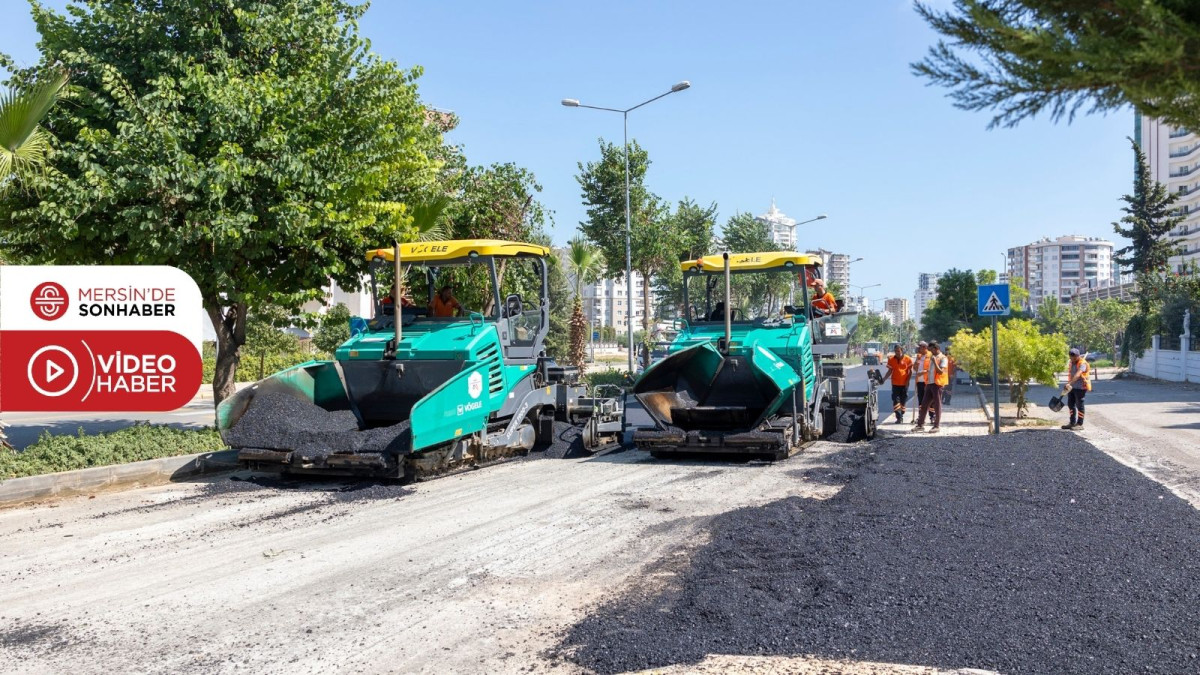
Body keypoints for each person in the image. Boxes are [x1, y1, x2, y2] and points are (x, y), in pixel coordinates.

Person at [915, 341, 949, 433]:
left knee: (937, 405)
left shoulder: (943, 358)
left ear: (936, 348)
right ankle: (920, 425)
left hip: (937, 384)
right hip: (930, 384)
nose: (930, 351)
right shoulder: (932, 357)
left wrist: (934, 362)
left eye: (931, 349)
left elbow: (940, 372)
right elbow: (930, 370)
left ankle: (936, 426)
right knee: (924, 404)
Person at [881, 344, 914, 423]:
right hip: (895, 383)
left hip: (904, 384)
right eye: (895, 351)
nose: (897, 353)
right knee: (896, 400)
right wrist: (884, 379)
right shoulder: (891, 359)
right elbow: (890, 371)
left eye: (898, 351)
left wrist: (907, 382)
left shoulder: (908, 359)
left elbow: (910, 372)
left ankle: (901, 413)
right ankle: (899, 417)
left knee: (903, 400)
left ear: (902, 351)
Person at [1061, 348, 1092, 430]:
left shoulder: (1083, 364)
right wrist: (1069, 384)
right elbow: (1071, 374)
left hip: (1081, 387)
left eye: (1075, 357)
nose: (1073, 359)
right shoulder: (1071, 363)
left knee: (1079, 404)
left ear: (1078, 356)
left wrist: (1069, 383)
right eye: (1071, 357)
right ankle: (1072, 422)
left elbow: (1078, 375)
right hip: (1072, 387)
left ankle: (1079, 424)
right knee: (1070, 404)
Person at [911, 341, 931, 424]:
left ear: (924, 347)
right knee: (921, 400)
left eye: (920, 347)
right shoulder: (919, 356)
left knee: (930, 400)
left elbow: (931, 369)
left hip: (928, 381)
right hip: (919, 381)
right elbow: (915, 369)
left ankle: (932, 417)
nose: (918, 349)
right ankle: (921, 417)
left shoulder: (930, 355)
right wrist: (915, 364)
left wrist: (922, 372)